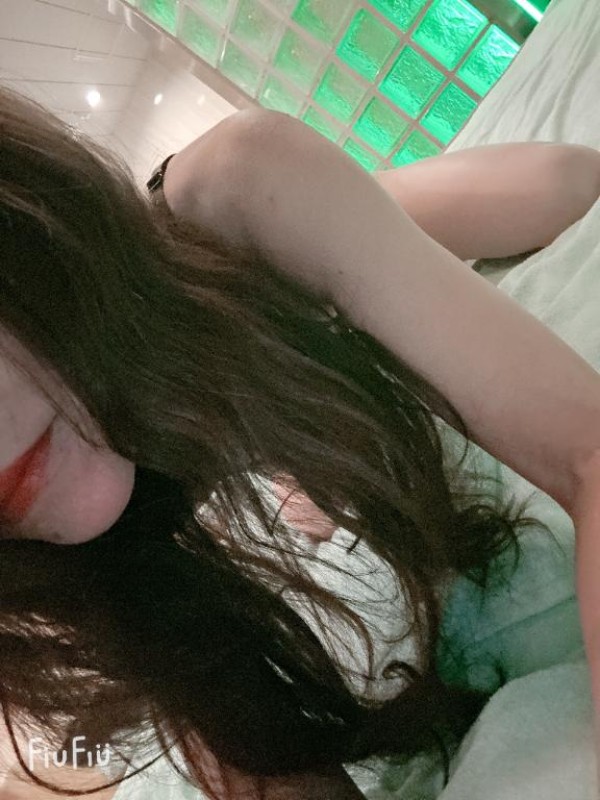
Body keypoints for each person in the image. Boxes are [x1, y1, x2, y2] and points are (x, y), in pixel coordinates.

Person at [1, 82, 600, 800]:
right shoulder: (36, 572)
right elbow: (255, 744)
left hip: (204, 257)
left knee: (566, 181)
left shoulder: (229, 202)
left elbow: (585, 449)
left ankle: (356, 224)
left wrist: (309, 221)